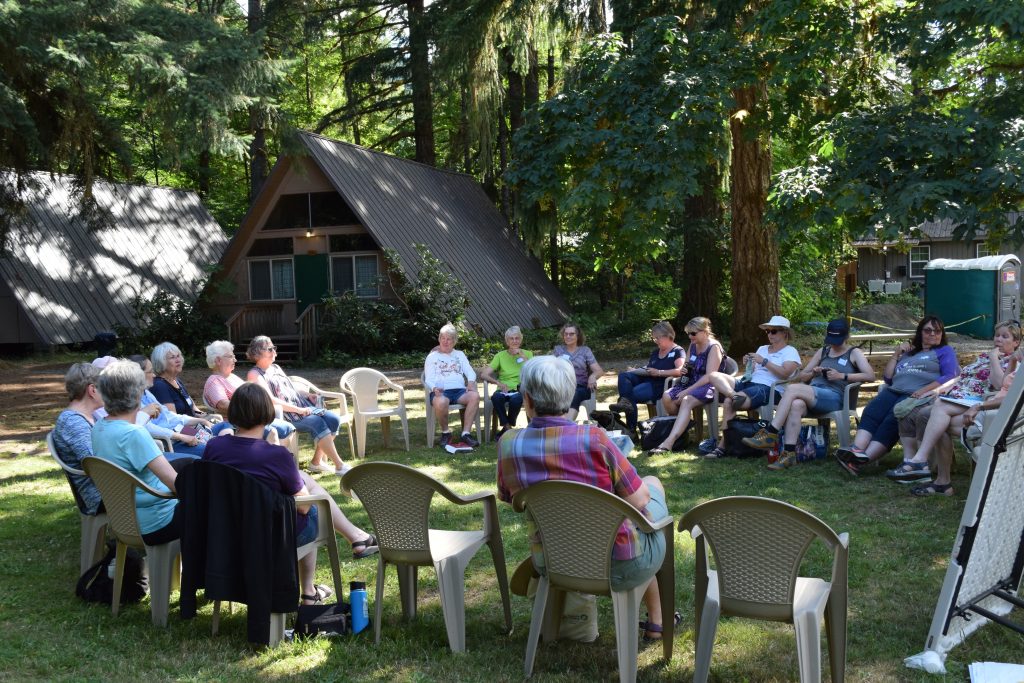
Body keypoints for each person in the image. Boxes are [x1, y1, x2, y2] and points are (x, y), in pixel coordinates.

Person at [497, 356, 675, 642]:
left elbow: (510, 498)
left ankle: (653, 620)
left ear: (527, 400)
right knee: (651, 490)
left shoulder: (508, 444)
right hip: (620, 562)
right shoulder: (595, 439)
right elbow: (640, 499)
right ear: (570, 397)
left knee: (636, 520)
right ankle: (658, 622)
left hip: (553, 560)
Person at [202, 383, 378, 604]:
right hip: (273, 537)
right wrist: (274, 449)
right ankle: (309, 592)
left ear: (233, 412)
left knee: (305, 482)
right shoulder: (275, 454)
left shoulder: (214, 447)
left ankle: (355, 540)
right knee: (310, 507)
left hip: (228, 533)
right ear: (267, 413)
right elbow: (303, 506)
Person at [887, 322, 1021, 487]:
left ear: (1016, 342)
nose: (998, 339)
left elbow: (999, 385)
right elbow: (962, 376)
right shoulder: (984, 356)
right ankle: (941, 481)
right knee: (926, 414)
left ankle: (921, 462)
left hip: (977, 399)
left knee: (937, 410)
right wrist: (939, 390)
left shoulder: (1013, 362)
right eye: (997, 335)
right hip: (959, 395)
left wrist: (994, 358)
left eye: (1004, 336)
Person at [741, 318, 875, 469]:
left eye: (837, 340)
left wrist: (841, 376)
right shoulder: (823, 351)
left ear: (846, 337)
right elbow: (802, 376)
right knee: (797, 404)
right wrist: (813, 373)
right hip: (813, 394)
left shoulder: (854, 353)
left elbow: (870, 376)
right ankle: (789, 454)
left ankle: (771, 433)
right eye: (831, 339)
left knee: (792, 389)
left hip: (835, 397)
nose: (833, 344)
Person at [834, 315, 960, 475]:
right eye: (928, 330)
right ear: (920, 332)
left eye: (937, 331)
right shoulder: (910, 353)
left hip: (916, 394)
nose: (933, 334)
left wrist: (924, 390)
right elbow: (888, 377)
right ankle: (856, 450)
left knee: (892, 419)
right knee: (871, 411)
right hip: (893, 390)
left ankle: (862, 461)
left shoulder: (944, 351)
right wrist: (896, 354)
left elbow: (950, 376)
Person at [91, 359, 181, 545]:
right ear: (139, 392)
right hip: (158, 522)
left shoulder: (99, 427)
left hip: (124, 520)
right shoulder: (134, 434)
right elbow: (176, 484)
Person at [700, 315, 802, 459]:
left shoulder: (790, 351)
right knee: (714, 376)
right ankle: (732, 394)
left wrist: (764, 361)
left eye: (774, 331)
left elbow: (786, 374)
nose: (769, 334)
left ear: (784, 332)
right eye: (768, 331)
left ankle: (721, 447)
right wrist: (749, 363)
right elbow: (753, 372)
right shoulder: (762, 348)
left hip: (768, 388)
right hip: (749, 383)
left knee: (730, 402)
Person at [246, 335, 350, 476]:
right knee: (317, 422)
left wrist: (307, 395)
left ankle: (316, 462)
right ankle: (339, 465)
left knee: (333, 419)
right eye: (270, 349)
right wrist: (298, 410)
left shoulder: (275, 367)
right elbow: (270, 400)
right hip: (287, 414)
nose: (275, 352)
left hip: (301, 406)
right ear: (258, 353)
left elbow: (290, 388)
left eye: (274, 348)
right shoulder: (254, 374)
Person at [912, 367, 1020, 496]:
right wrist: (1013, 360)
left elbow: (1016, 397)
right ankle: (936, 475)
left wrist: (979, 406)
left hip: (1001, 418)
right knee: (939, 420)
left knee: (939, 422)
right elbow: (1005, 385)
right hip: (992, 410)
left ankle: (937, 477)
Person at [644, 317, 726, 455]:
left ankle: (669, 443)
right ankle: (681, 436)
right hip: (691, 382)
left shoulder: (714, 347)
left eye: (693, 333)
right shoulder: (693, 345)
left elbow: (709, 376)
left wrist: (687, 391)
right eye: (688, 333)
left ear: (705, 332)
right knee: (667, 396)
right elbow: (687, 366)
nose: (690, 336)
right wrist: (684, 370)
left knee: (686, 400)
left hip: (710, 386)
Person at [202, 339, 294, 440]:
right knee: (286, 429)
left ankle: (285, 455)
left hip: (253, 420)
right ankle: (280, 455)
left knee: (288, 428)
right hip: (240, 426)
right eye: (231, 356)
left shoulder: (232, 376)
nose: (235, 360)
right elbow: (224, 405)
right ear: (218, 360)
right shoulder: (214, 381)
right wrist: (254, 407)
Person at [126, 354, 212, 459]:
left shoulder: (146, 392)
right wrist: (181, 436)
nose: (153, 375)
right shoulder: (132, 399)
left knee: (213, 440)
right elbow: (147, 427)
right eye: (150, 371)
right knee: (212, 449)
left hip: (179, 431)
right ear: (137, 375)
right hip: (170, 442)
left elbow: (168, 415)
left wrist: (199, 420)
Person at [609, 321, 685, 434]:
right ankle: (626, 410)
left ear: (668, 335)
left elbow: (680, 371)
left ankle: (631, 429)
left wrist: (659, 372)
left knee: (630, 395)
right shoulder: (656, 352)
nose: (655, 341)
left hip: (660, 384)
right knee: (624, 375)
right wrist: (636, 371)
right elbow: (650, 368)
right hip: (648, 378)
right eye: (654, 338)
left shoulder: (678, 351)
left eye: (657, 338)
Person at [51, 363, 104, 515]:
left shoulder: (87, 416)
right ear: (92, 390)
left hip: (110, 487)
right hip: (101, 495)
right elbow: (96, 465)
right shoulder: (73, 422)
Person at [424, 323, 481, 448]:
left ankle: (466, 433)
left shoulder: (459, 354)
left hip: (460, 392)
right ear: (439, 339)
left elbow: (470, 371)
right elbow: (428, 378)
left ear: (454, 341)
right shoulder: (432, 357)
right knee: (441, 402)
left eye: (449, 339)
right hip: (441, 392)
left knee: (474, 396)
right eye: (443, 338)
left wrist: (471, 382)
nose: (445, 341)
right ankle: (446, 433)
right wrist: (434, 388)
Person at [479, 326, 534, 439]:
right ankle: (508, 428)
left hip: (520, 389)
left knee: (516, 399)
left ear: (521, 339)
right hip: (503, 389)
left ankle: (506, 428)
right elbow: (484, 374)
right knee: (496, 398)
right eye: (511, 339)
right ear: (507, 341)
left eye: (517, 338)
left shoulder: (528, 354)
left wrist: (523, 357)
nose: (514, 341)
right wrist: (498, 383)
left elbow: (534, 372)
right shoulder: (500, 356)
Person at [552, 322, 605, 421]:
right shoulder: (558, 350)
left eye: (571, 334)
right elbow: (549, 369)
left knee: (574, 393)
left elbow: (599, 371)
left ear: (578, 336)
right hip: (562, 387)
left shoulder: (585, 351)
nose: (568, 336)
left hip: (580, 387)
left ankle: (567, 425)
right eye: (566, 334)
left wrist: (592, 377)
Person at [150, 342, 205, 417]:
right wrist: (203, 422)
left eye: (178, 356)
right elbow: (173, 419)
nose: (178, 360)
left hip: (193, 424)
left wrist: (208, 416)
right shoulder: (160, 386)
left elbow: (193, 409)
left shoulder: (177, 381)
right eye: (172, 357)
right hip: (181, 427)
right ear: (161, 362)